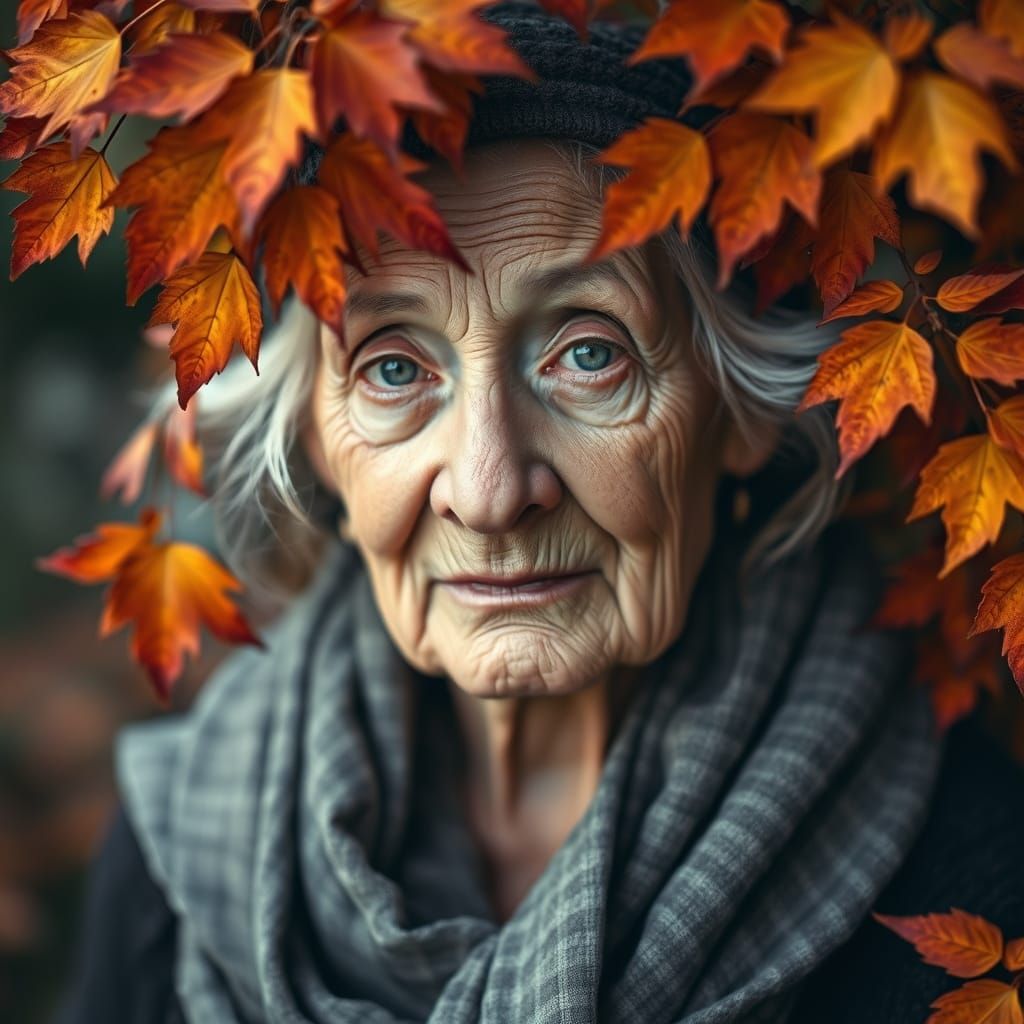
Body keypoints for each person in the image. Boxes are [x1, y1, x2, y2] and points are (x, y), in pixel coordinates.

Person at [55, 3, 1024, 1023]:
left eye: (589, 352)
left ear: (735, 406)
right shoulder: (176, 865)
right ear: (312, 437)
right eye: (393, 366)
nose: (488, 488)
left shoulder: (968, 879)